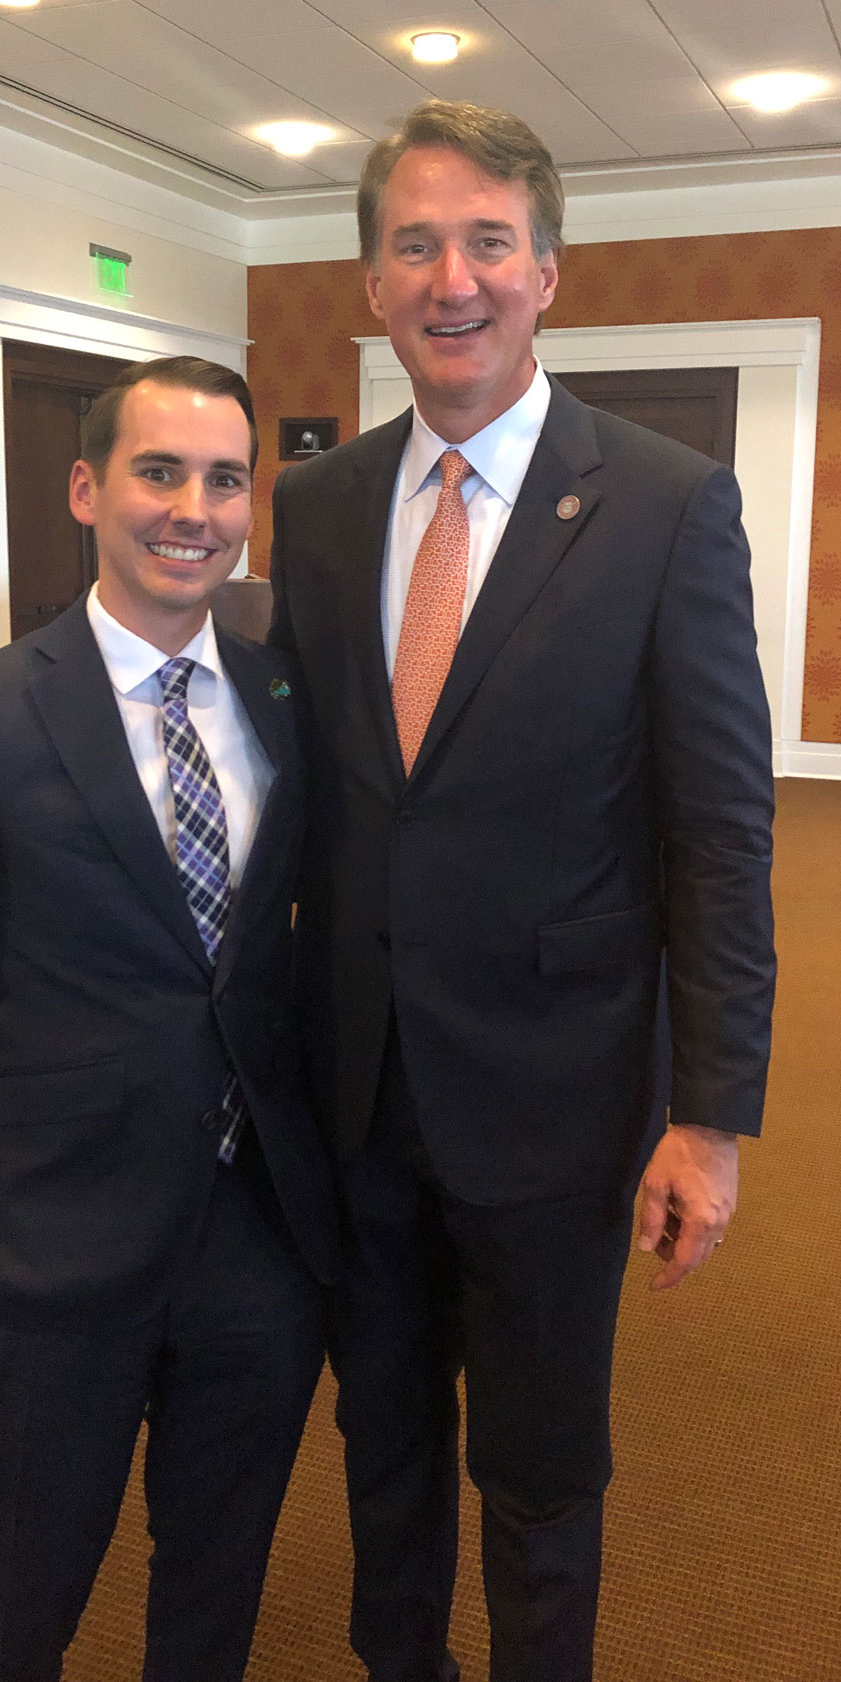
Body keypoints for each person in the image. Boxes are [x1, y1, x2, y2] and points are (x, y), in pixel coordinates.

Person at [269, 100, 775, 1682]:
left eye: (489, 239)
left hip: (556, 1105)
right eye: (415, 241)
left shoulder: (666, 504)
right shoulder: (321, 508)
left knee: (543, 1475)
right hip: (358, 1092)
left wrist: (709, 1115)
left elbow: (721, 832)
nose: (454, 275)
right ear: (369, 280)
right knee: (387, 1450)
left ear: (550, 270)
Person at [0, 355, 338, 1682]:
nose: (196, 507)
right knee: (20, 1595)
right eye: (160, 470)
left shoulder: (281, 702)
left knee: (216, 1578)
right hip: (51, 1239)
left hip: (257, 1233)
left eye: (226, 478)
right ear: (87, 488)